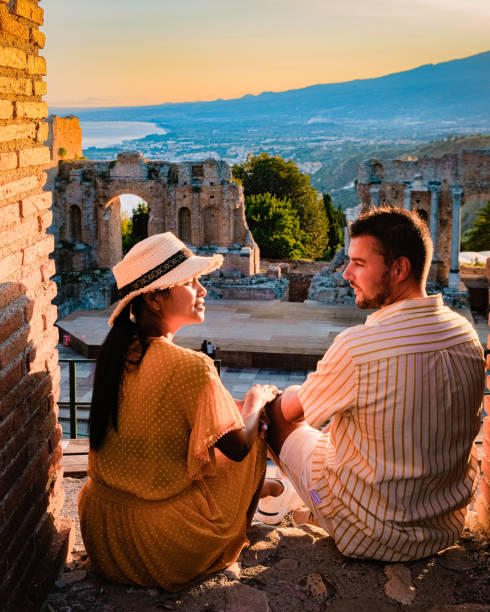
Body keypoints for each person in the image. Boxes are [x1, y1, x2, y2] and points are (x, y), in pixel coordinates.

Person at [265, 206, 485, 562]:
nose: (346, 274)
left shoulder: (359, 348)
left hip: (369, 533)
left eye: (359, 264)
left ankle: (275, 508)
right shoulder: (466, 335)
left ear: (399, 269)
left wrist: (274, 398)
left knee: (270, 415)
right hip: (443, 528)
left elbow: (292, 412)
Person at [78, 232, 280, 591]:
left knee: (211, 426)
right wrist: (255, 402)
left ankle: (253, 489)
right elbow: (236, 447)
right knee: (255, 426)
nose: (202, 289)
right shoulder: (191, 366)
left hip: (105, 535)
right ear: (155, 298)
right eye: (190, 282)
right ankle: (244, 499)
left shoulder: (114, 356)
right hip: (161, 546)